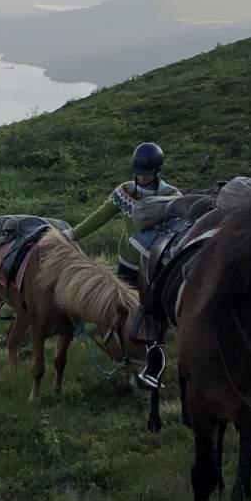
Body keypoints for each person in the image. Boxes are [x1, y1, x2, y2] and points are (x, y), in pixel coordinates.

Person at [70, 141, 179, 386]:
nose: (140, 177)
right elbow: (101, 215)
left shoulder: (171, 195)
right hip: (128, 265)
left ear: (156, 172)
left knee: (153, 316)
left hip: (154, 267)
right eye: (137, 173)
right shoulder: (124, 192)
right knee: (117, 312)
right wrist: (73, 235)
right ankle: (119, 355)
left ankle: (152, 366)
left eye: (145, 173)